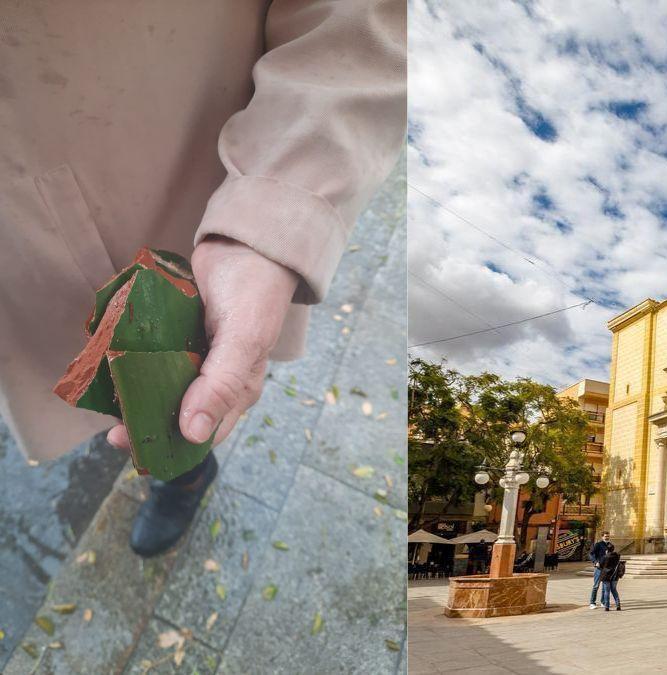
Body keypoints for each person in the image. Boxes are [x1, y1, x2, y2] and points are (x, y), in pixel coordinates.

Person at [0, 2, 406, 558]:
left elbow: (359, 19)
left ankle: (184, 475)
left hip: (179, 161)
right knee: (84, 378)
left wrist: (268, 218)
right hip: (16, 256)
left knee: (187, 386)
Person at [587, 531, 613, 609]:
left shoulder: (610, 545)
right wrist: (595, 562)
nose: (607, 537)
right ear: (602, 537)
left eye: (608, 536)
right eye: (605, 536)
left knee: (605, 587)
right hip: (599, 568)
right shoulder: (598, 544)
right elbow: (591, 554)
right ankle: (592, 603)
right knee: (596, 585)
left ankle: (603, 602)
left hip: (606, 568)